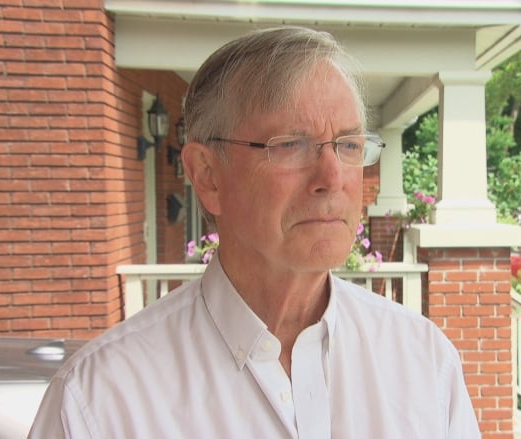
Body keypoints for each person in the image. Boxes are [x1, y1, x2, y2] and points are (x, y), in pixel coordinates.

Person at [29, 26, 480, 438]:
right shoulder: (100, 401)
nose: (332, 175)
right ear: (206, 175)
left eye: (348, 144)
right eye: (290, 145)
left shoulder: (423, 361)